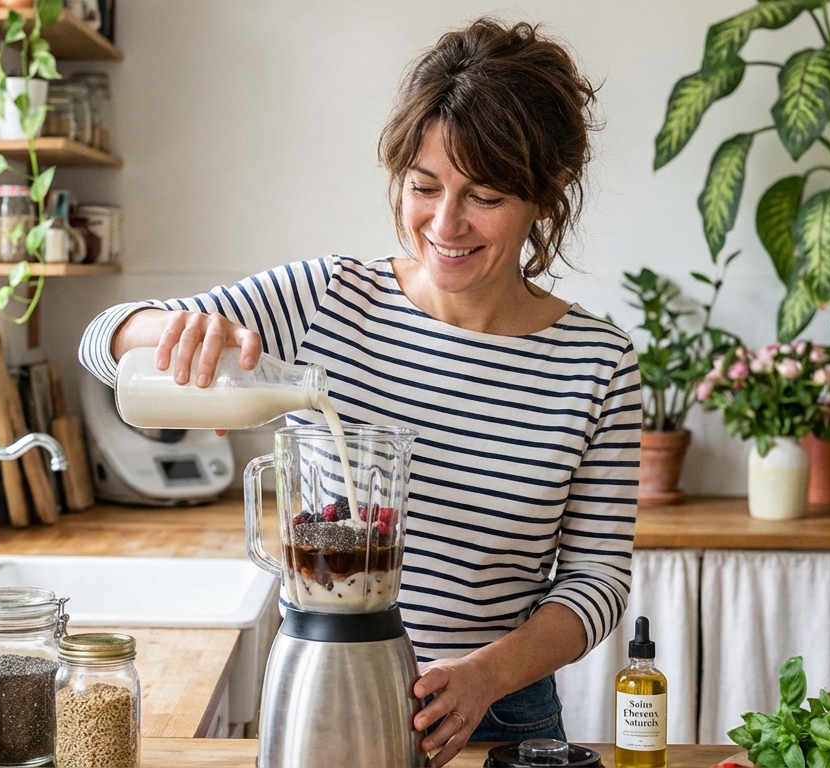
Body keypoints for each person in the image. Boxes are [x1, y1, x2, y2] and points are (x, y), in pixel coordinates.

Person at [79, 18, 639, 766]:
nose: (445, 224)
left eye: (484, 196)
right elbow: (101, 341)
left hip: (500, 713)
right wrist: (167, 330)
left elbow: (599, 579)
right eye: (423, 186)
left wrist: (485, 676)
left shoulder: (597, 363)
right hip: (327, 687)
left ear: (548, 191)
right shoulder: (326, 298)